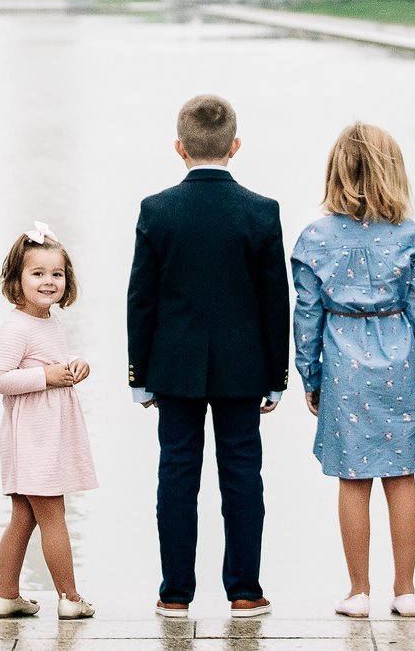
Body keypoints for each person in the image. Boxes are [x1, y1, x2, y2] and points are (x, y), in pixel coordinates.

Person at [126, 94, 290, 619]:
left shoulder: (157, 209)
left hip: (172, 366)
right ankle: (245, 590)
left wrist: (139, 373)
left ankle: (174, 593)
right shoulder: (262, 211)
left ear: (179, 148)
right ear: (235, 146)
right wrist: (277, 374)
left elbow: (141, 299)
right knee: (242, 475)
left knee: (176, 475)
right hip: (244, 367)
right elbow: (274, 300)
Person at [291, 122, 415, 620]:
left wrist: (309, 375)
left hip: (341, 358)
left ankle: (358, 591)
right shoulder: (410, 235)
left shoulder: (315, 238)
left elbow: (306, 315)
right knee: (401, 474)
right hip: (398, 353)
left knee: (352, 479)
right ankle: (406, 589)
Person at [0, 223, 98, 621]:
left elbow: (44, 362)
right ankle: (69, 597)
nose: (49, 281)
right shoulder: (16, 327)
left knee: (24, 515)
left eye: (57, 274)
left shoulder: (47, 321)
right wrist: (47, 377)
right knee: (53, 515)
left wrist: (70, 366)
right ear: (17, 281)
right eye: (38, 273)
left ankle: (6, 596)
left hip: (42, 433)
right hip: (33, 436)